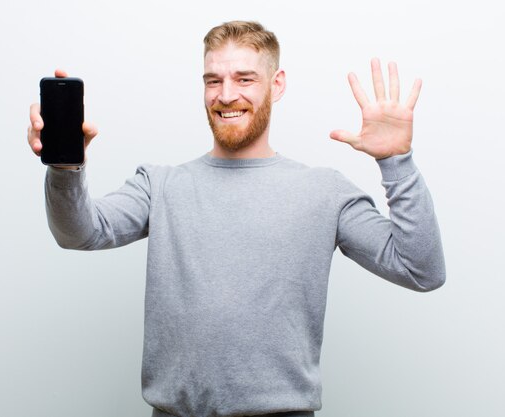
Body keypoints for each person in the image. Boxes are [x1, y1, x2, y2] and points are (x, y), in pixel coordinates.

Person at [27, 21, 445, 417]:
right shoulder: (160, 185)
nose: (226, 95)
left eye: (245, 79)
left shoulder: (323, 191)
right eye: (214, 80)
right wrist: (65, 167)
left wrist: (397, 162)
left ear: (276, 85)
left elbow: (421, 269)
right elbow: (79, 233)